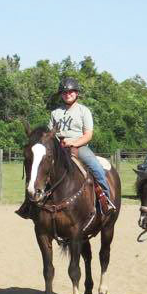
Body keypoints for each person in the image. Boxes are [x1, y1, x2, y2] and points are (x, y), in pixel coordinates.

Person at [48, 77, 115, 210]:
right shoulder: (55, 113)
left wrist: (73, 142)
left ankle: (106, 200)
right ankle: (30, 204)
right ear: (61, 94)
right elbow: (50, 135)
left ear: (76, 93)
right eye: (65, 92)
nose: (68, 94)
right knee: (38, 168)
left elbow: (88, 135)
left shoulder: (84, 111)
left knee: (96, 168)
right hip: (58, 148)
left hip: (79, 147)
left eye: (71, 92)